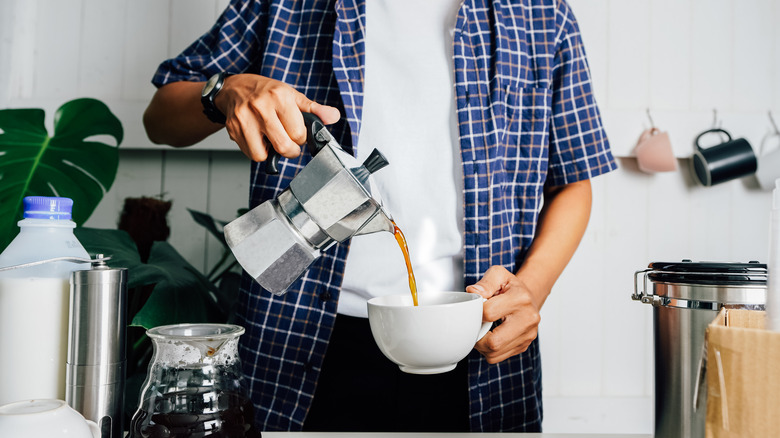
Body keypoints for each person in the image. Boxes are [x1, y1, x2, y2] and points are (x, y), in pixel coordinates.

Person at [143, 0, 616, 432]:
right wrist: (225, 91)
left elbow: (572, 180)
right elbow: (160, 118)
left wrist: (532, 287)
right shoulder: (286, 5)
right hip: (303, 339)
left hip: (475, 343)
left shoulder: (541, 14)